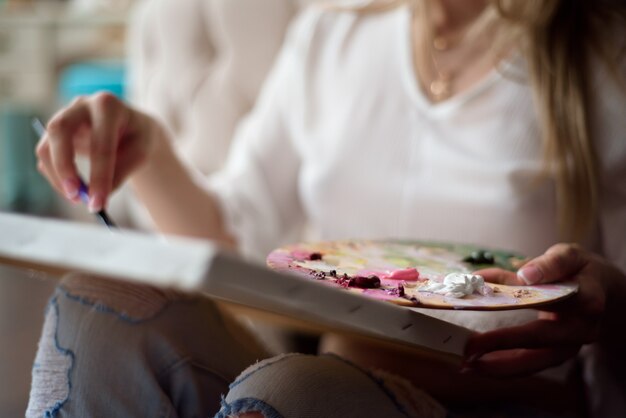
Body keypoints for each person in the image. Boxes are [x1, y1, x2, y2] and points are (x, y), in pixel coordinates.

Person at [29, 0, 626, 417]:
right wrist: (150, 149)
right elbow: (231, 237)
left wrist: (612, 297)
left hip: (514, 400)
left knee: (298, 389)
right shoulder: (331, 35)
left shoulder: (605, 53)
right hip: (324, 374)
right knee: (98, 304)